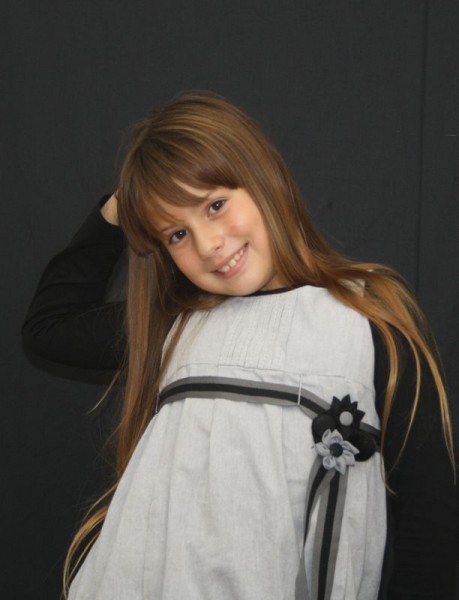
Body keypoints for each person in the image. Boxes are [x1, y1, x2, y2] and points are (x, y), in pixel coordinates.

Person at [22, 92, 457, 600]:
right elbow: (50, 326)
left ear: (261, 176)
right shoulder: (176, 328)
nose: (209, 245)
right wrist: (127, 200)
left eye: (215, 205)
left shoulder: (369, 324)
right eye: (176, 234)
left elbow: (429, 524)